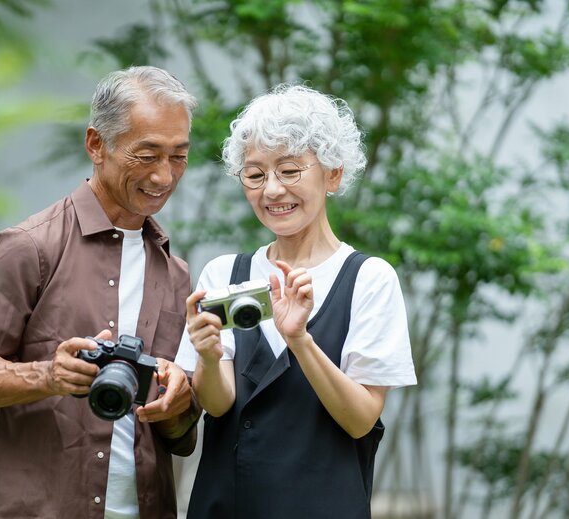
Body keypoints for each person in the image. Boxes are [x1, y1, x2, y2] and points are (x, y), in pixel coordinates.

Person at [0, 65, 202, 519]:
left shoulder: (176, 273)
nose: (164, 176)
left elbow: (180, 436)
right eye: (147, 155)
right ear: (96, 144)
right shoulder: (26, 247)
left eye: (179, 156)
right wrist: (47, 376)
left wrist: (181, 397)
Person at [174, 84, 417, 518]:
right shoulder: (225, 274)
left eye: (289, 171)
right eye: (254, 175)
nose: (271, 191)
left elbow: (361, 419)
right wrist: (208, 358)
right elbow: (217, 404)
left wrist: (300, 339)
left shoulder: (368, 279)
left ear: (333, 174)